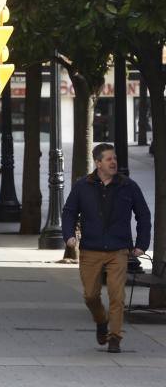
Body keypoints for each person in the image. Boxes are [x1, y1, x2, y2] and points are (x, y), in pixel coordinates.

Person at [62, 143, 150, 353]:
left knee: (116, 296)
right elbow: (69, 212)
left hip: (118, 249)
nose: (114, 162)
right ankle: (101, 321)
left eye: (115, 159)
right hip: (91, 249)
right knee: (91, 296)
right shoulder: (82, 186)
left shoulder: (128, 186)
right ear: (98, 162)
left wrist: (141, 244)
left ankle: (115, 337)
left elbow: (143, 215)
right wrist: (69, 236)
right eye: (109, 159)